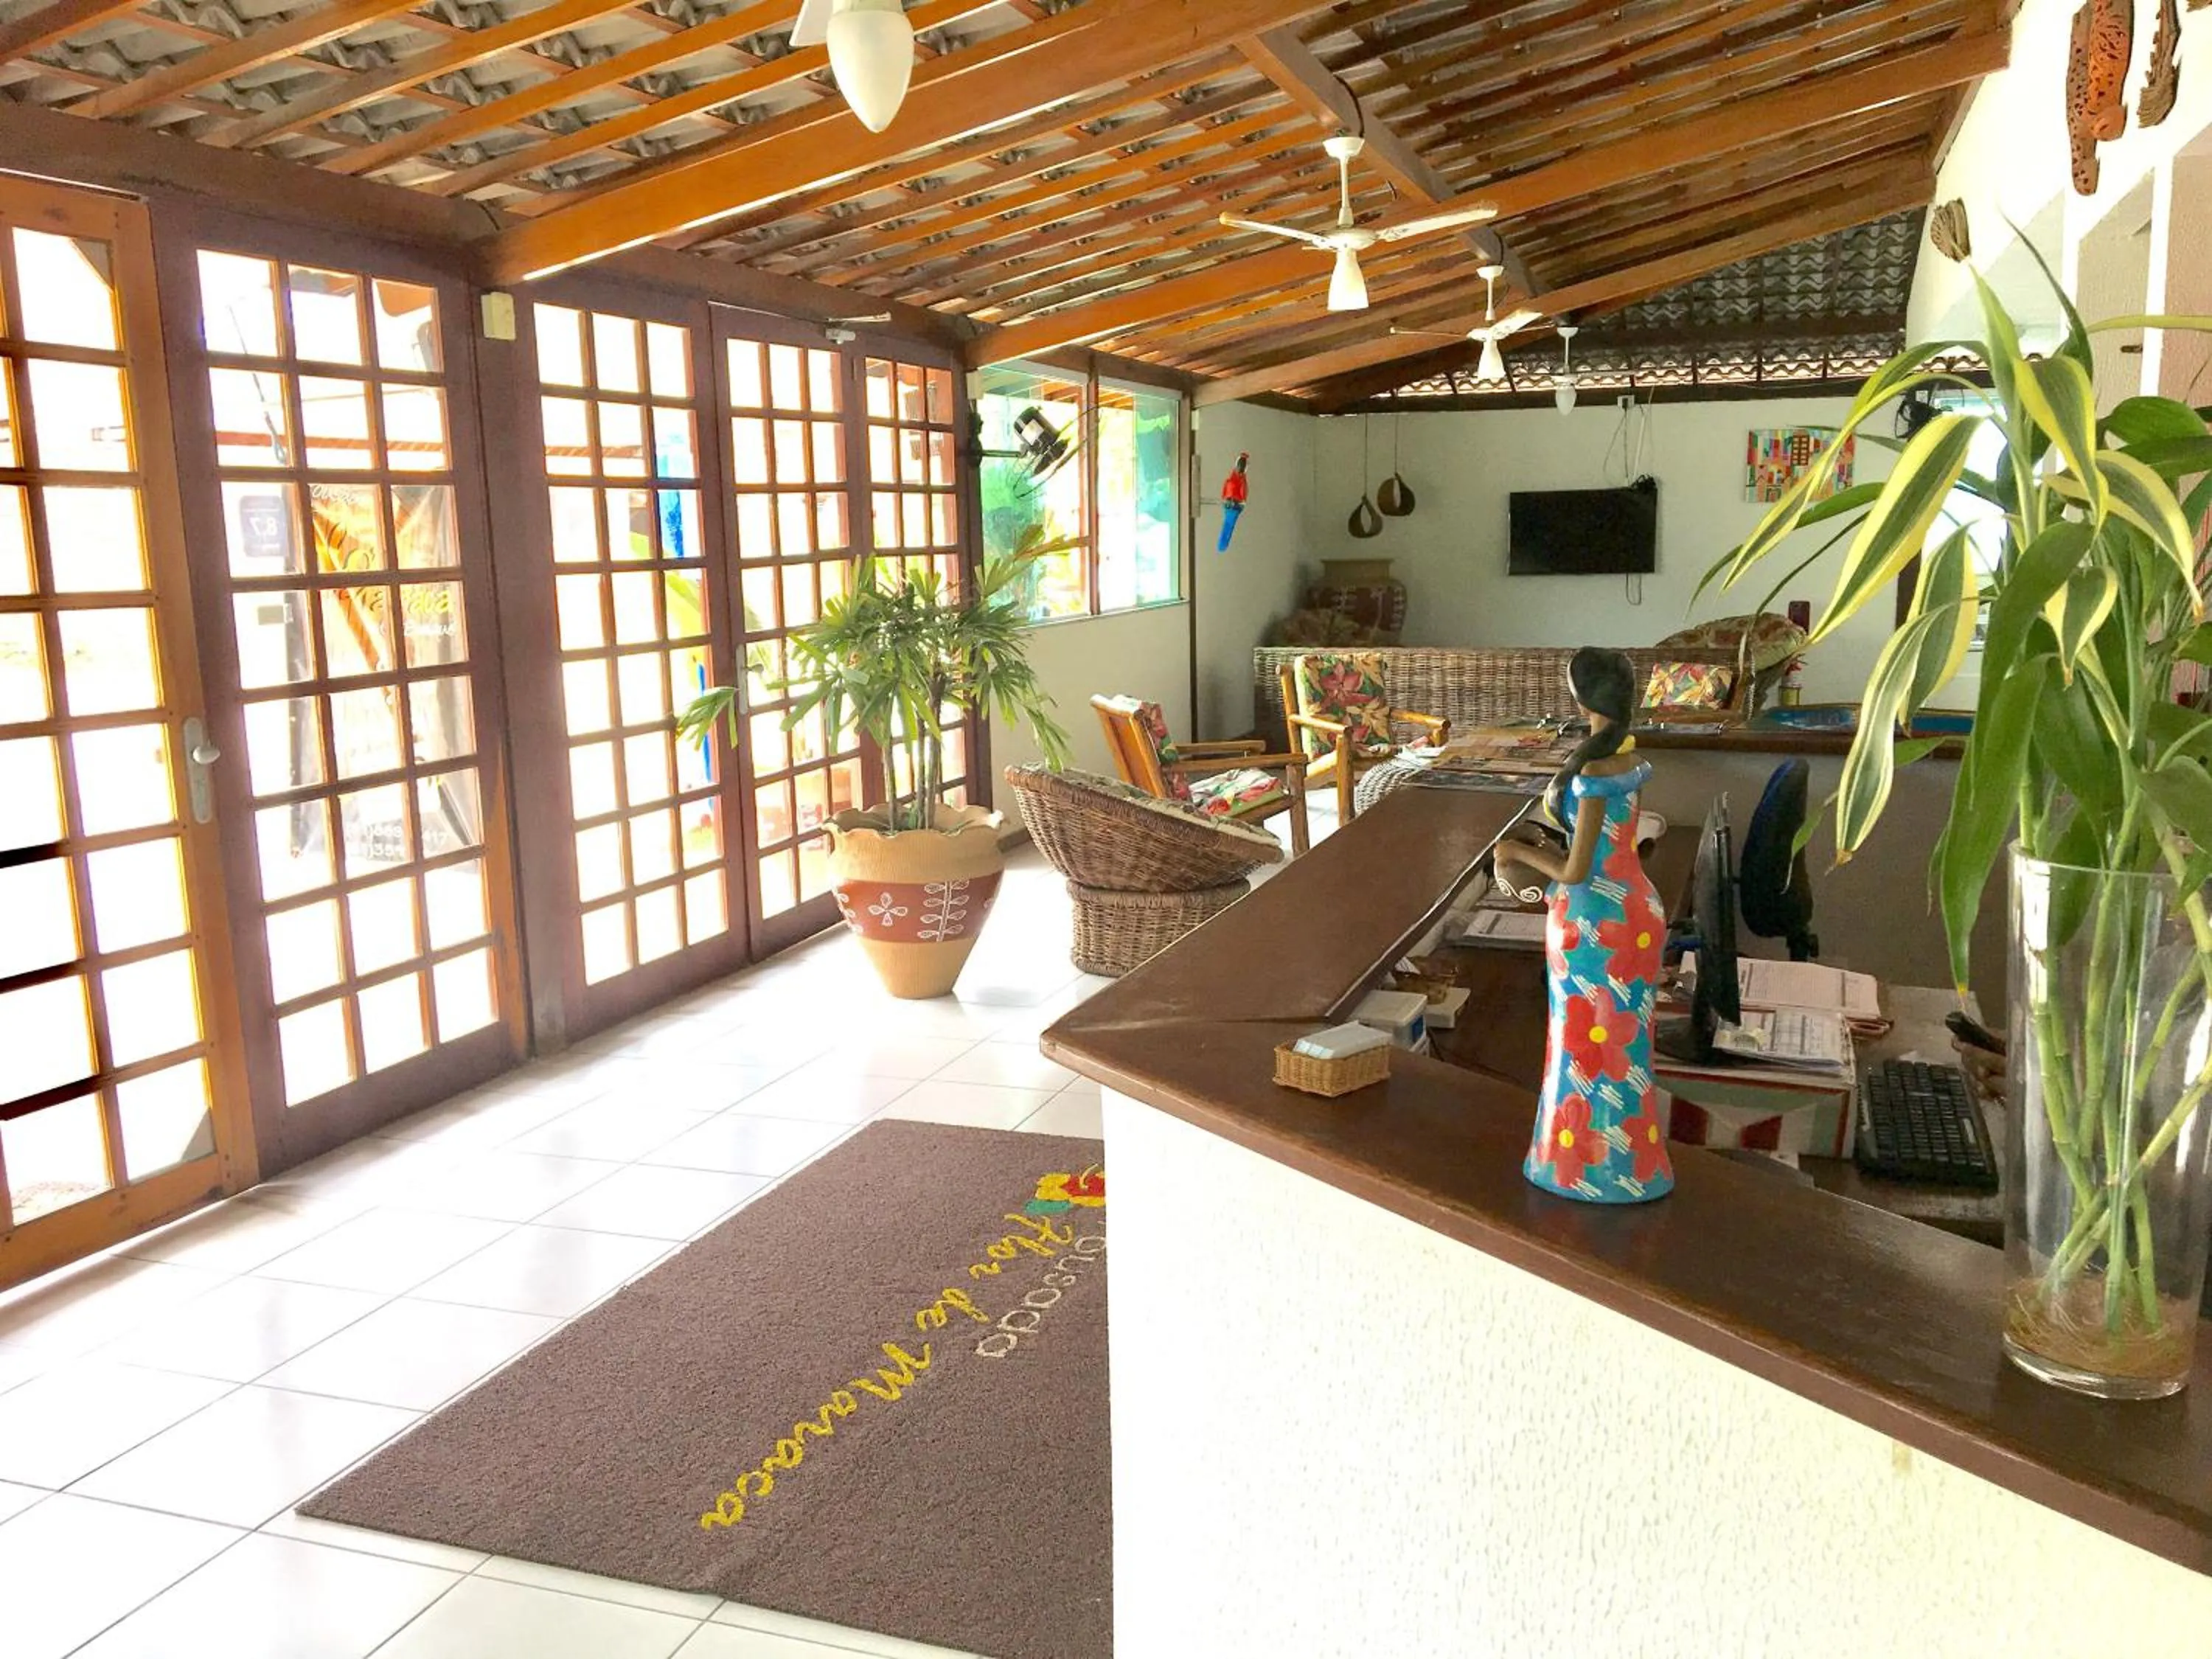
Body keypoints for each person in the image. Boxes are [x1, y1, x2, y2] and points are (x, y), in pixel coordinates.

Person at [1494, 647, 1674, 1203]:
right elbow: (1601, 847)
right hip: (1634, 906)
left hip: (1595, 921)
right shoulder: (1627, 758)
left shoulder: (1597, 769)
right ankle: (1631, 1164)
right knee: (1623, 1049)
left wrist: (1514, 853)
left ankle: (1577, 1168)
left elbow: (1574, 870)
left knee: (1581, 1046)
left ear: (1583, 697)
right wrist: (1543, 845)